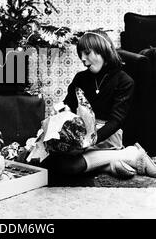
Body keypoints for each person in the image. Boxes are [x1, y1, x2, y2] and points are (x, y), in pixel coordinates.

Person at [41, 30, 156, 179]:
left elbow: (116, 121)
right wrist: (57, 119)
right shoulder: (81, 78)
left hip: (106, 137)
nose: (82, 58)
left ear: (103, 51)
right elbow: (67, 104)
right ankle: (112, 163)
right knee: (46, 163)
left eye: (87, 53)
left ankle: (130, 154)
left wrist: (89, 141)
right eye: (80, 54)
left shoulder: (124, 81)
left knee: (68, 167)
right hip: (81, 137)